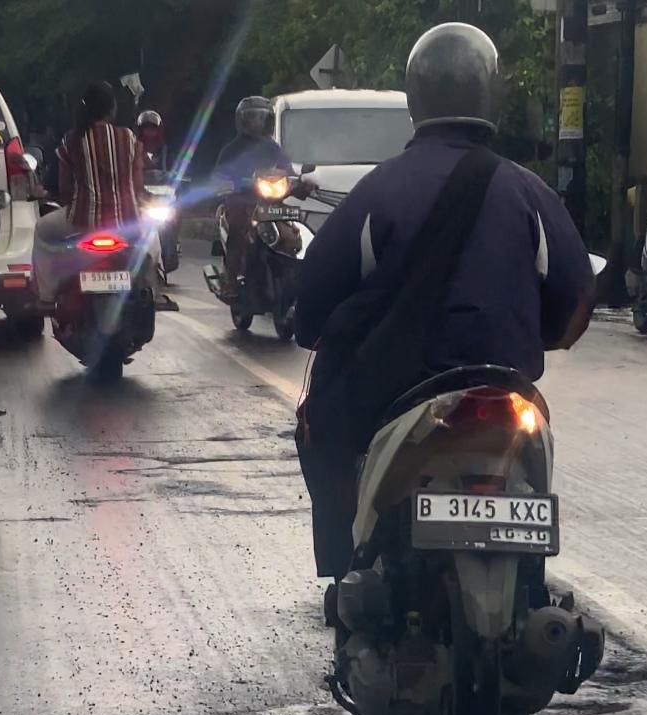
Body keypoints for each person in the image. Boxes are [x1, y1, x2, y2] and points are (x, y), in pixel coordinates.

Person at [293, 23, 595, 578]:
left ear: (416, 100)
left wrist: (314, 328)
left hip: (403, 399)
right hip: (510, 391)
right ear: (493, 95)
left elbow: (312, 299)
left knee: (320, 429)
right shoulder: (530, 193)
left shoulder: (380, 190)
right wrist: (541, 335)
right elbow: (578, 299)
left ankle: (347, 570)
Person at [34, 80, 149, 303]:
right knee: (153, 240)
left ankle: (46, 295)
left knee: (40, 230)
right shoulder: (129, 138)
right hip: (126, 221)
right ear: (112, 108)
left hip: (82, 221)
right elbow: (137, 184)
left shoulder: (72, 140)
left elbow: (65, 189)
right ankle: (152, 287)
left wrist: (58, 198)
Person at [212, 96, 294, 299]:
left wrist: (299, 182)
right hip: (241, 201)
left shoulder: (273, 149)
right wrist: (233, 183)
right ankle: (230, 280)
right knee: (238, 229)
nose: (256, 123)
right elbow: (218, 177)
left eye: (261, 119)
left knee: (294, 233)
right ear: (242, 121)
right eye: (252, 119)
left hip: (271, 203)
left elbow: (288, 172)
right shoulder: (231, 150)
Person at [136, 110, 168, 174]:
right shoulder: (136, 147)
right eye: (147, 128)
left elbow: (164, 169)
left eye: (152, 129)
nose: (149, 132)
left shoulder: (162, 147)